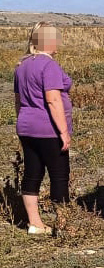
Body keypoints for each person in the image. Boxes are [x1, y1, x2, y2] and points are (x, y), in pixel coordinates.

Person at [13, 22, 72, 235]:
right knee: (59, 175)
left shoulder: (21, 65)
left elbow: (18, 101)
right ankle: (63, 225)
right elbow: (53, 99)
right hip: (48, 129)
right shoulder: (50, 66)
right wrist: (64, 132)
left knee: (32, 173)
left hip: (26, 127)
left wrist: (24, 120)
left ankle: (35, 223)